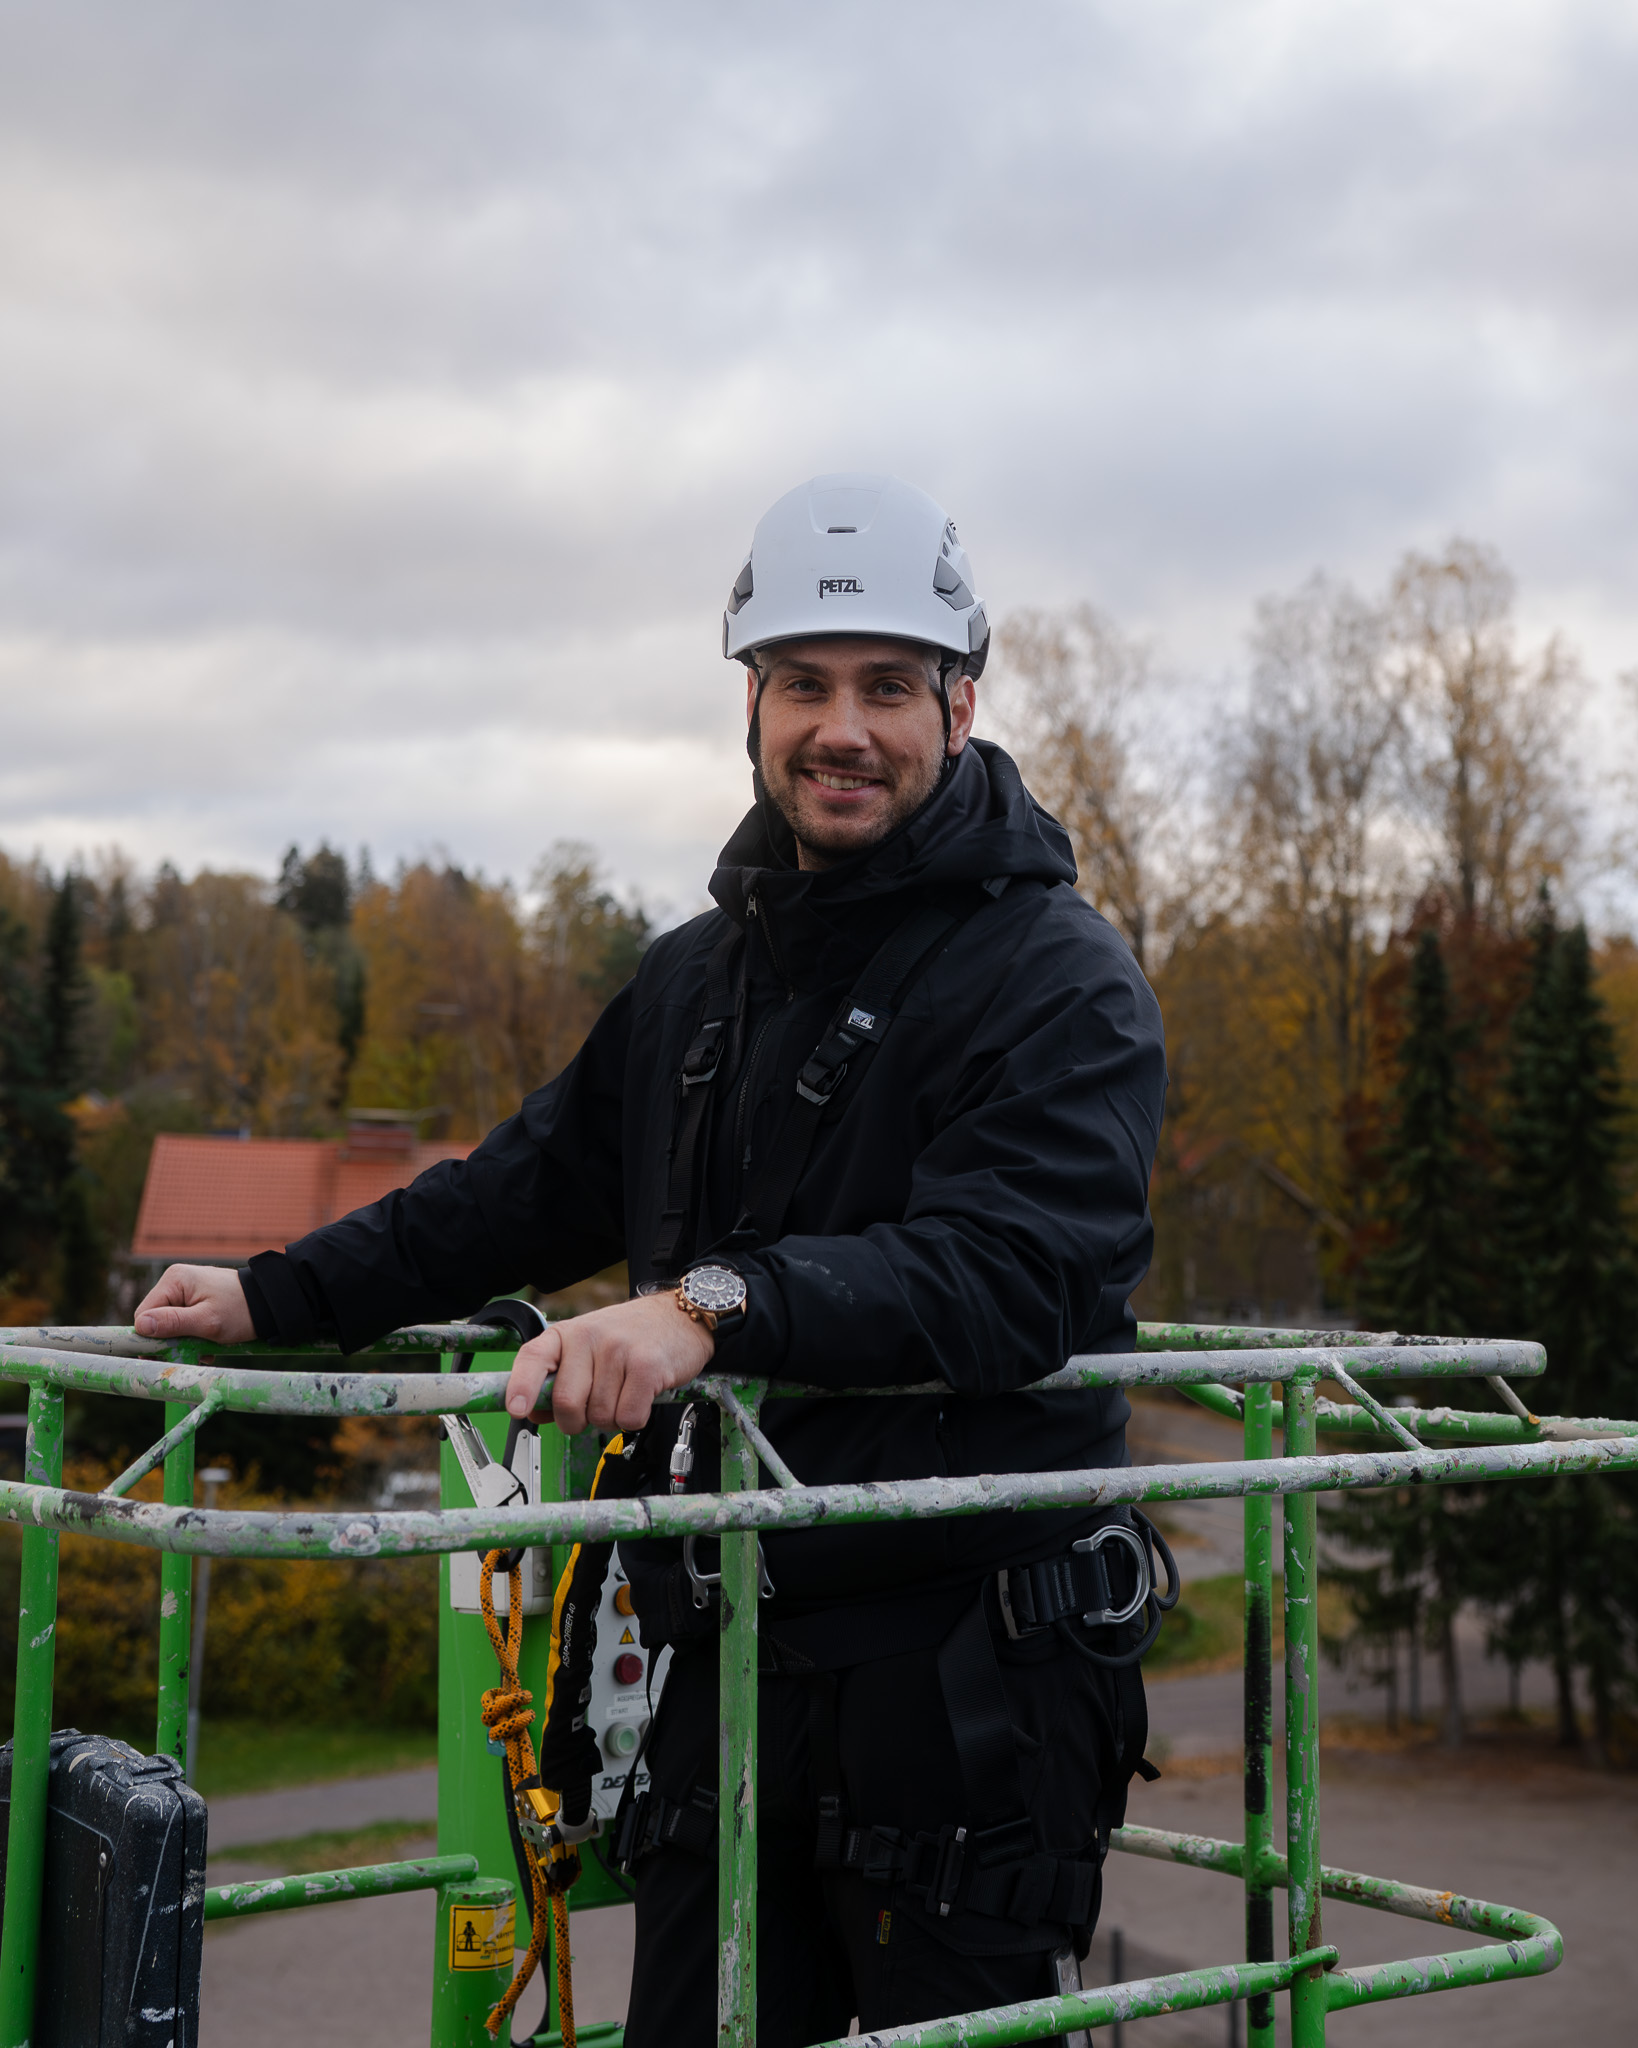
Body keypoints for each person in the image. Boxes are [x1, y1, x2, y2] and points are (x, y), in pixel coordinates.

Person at [136, 472, 1168, 2046]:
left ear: (960, 704)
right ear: (750, 703)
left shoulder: (1058, 980)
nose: (844, 729)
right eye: (805, 686)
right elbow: (522, 1192)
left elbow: (1012, 1272)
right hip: (729, 1664)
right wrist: (278, 1291)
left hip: (970, 1687)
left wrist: (710, 1307)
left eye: (887, 687)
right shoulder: (702, 979)